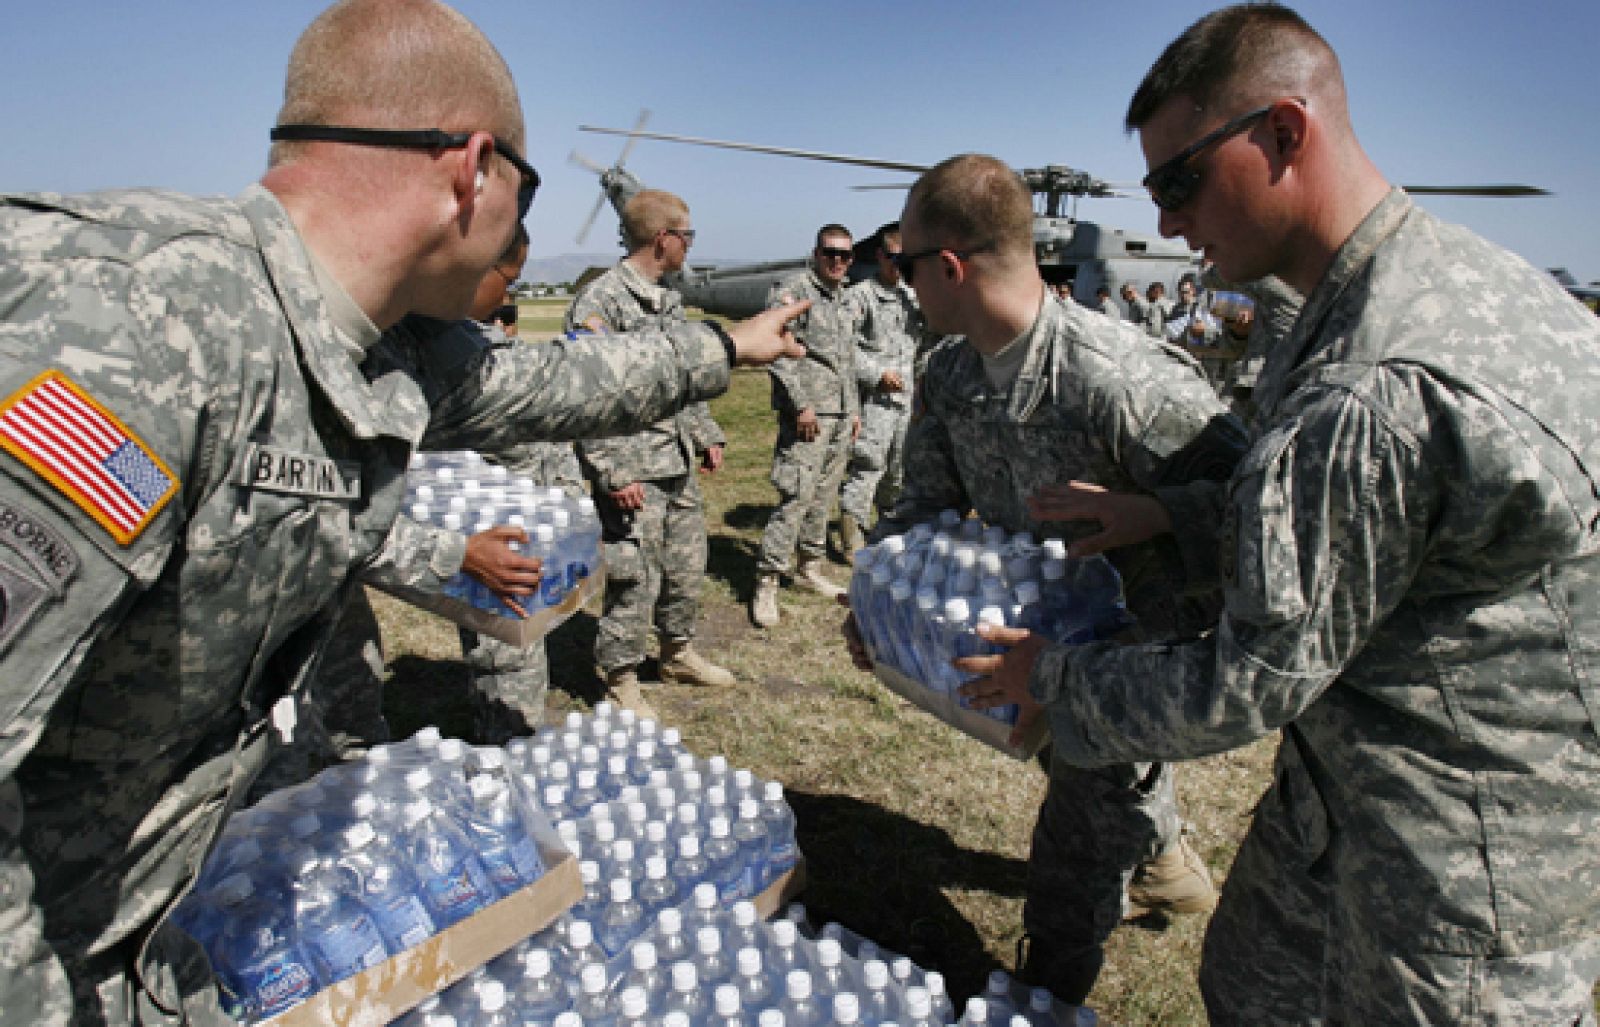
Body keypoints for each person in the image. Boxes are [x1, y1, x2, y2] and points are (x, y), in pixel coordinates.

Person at [0, 0, 806, 1018]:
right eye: (527, 188)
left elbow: (559, 385)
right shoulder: (131, 327)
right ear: (473, 172)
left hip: (169, 922)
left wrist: (724, 349)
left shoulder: (389, 346)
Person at [959, 6, 1600, 1022]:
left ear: (1284, 134)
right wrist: (1166, 512)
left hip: (1454, 858)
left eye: (1179, 181)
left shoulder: (1372, 378)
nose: (1168, 223)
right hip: (1354, 799)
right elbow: (1364, 521)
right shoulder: (1409, 288)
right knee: (1245, 980)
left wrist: (1056, 680)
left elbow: (1247, 676)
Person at [843, 153, 1249, 1005]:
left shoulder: (1118, 378)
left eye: (905, 264)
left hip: (1137, 633)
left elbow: (1263, 504)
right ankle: (1164, 852)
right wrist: (877, 598)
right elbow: (923, 500)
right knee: (1075, 766)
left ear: (947, 267)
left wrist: (1160, 513)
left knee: (1080, 818)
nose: (899, 279)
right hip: (1043, 619)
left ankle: (1050, 988)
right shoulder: (951, 371)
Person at [565, 189, 736, 707]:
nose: (690, 246)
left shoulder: (669, 300)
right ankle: (620, 675)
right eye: (687, 237)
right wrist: (612, 471)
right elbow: (585, 397)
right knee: (636, 573)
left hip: (676, 457)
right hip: (634, 468)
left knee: (686, 564)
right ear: (664, 239)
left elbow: (682, 376)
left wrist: (704, 432)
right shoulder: (601, 303)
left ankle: (676, 651)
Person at [751, 225, 863, 627]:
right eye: (830, 253)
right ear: (816, 252)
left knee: (823, 495)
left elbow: (847, 360)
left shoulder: (844, 299)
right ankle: (768, 579)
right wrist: (801, 406)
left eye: (845, 255)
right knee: (796, 494)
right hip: (808, 416)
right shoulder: (794, 291)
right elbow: (776, 352)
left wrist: (853, 411)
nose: (837, 261)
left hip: (838, 415)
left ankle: (809, 565)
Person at [838, 225, 924, 560]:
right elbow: (843, 349)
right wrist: (876, 374)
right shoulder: (860, 297)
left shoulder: (911, 297)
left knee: (899, 471)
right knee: (868, 467)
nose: (898, 265)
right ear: (879, 255)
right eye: (892, 258)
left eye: (905, 259)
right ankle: (852, 537)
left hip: (907, 401)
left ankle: (888, 529)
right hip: (875, 401)